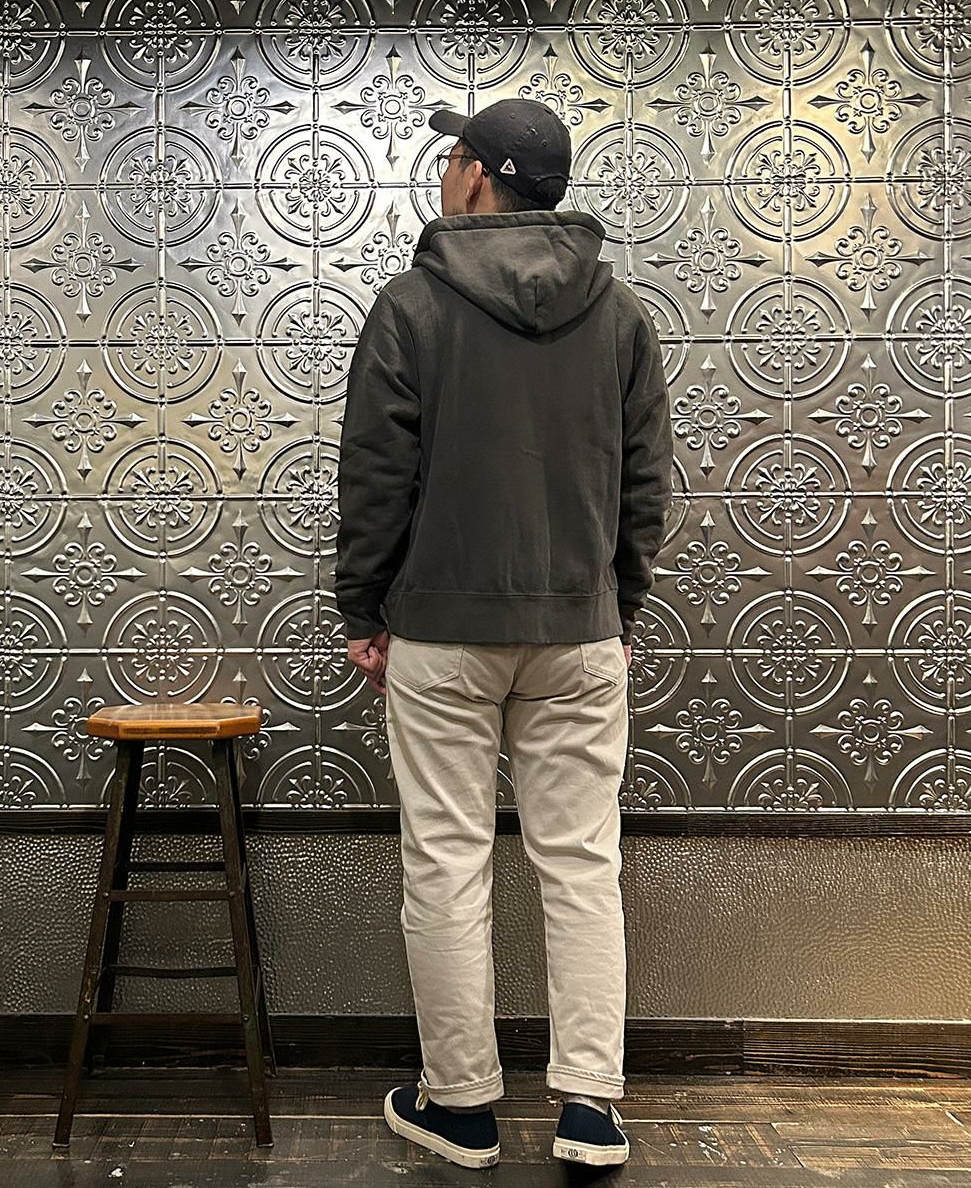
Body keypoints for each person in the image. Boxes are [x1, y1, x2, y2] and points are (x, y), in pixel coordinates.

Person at [333, 98, 674, 1169]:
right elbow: (646, 484)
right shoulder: (621, 315)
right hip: (579, 630)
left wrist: (364, 608)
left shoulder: (410, 307)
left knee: (446, 862)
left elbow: (376, 475)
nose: (444, 172)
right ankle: (590, 1110)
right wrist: (618, 605)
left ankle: (462, 1106)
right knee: (580, 865)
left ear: (478, 176)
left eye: (452, 156)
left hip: (441, 632)